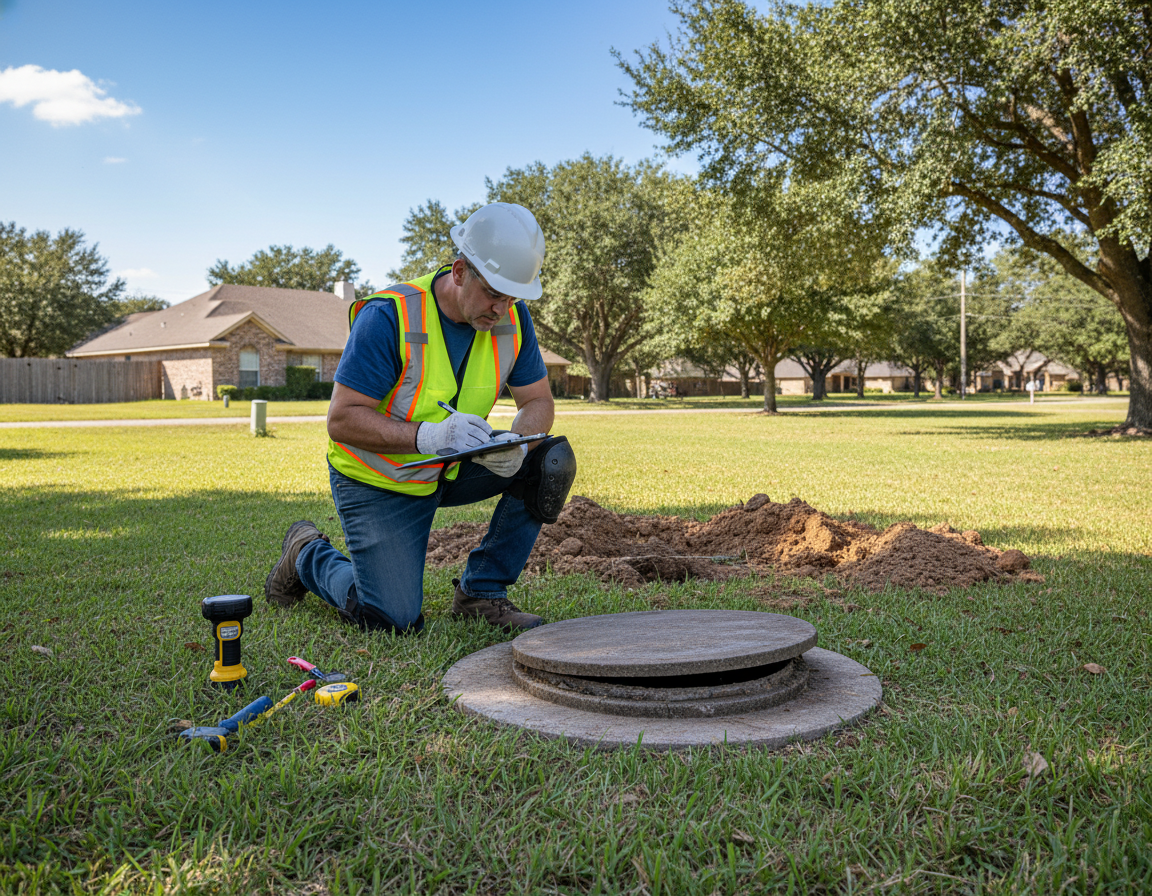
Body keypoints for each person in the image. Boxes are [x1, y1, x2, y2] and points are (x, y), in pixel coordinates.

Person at [263, 202, 577, 635]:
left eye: (512, 297)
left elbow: (538, 401)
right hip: (379, 477)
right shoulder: (388, 316)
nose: (501, 309)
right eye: (493, 293)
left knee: (550, 460)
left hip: (451, 466)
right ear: (460, 270)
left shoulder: (514, 321)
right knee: (392, 620)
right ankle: (306, 553)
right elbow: (341, 420)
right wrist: (429, 437)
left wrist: (517, 445)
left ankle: (481, 593)